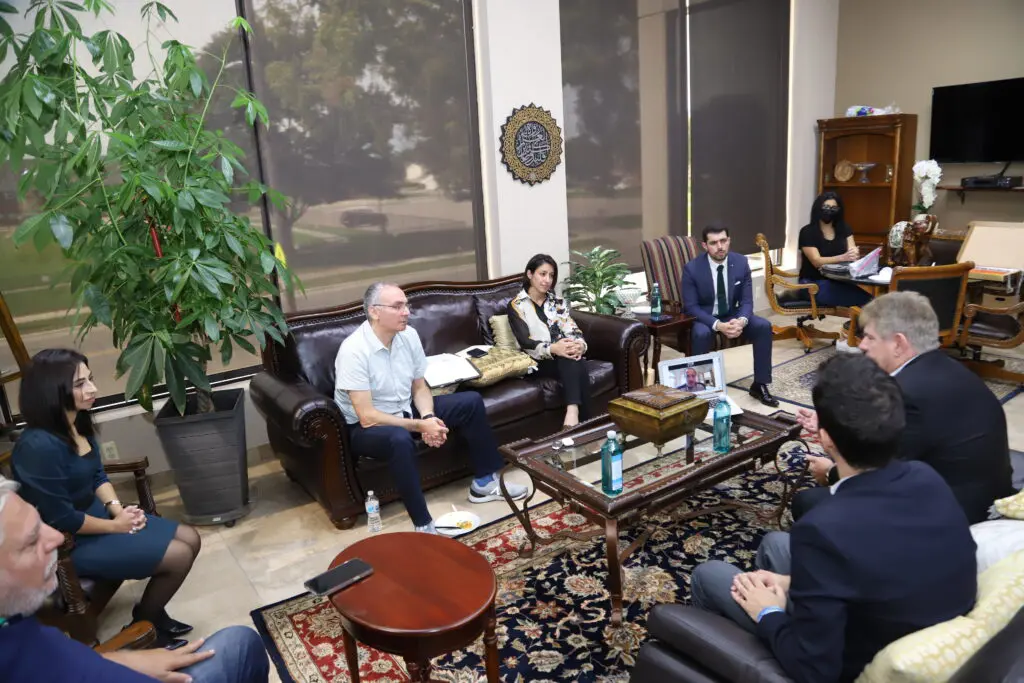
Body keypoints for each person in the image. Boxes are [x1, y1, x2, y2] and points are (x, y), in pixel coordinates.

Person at [689, 354, 977, 683]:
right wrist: (790, 584)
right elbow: (882, 567)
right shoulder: (927, 477)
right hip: (912, 625)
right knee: (774, 545)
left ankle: (717, 656)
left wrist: (767, 612)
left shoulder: (823, 529)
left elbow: (814, 670)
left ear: (826, 438)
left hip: (850, 662)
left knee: (709, 574)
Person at [11, 349, 200, 648]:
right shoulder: (37, 447)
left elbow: (97, 474)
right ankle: (144, 627)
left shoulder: (77, 421)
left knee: (191, 537)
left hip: (96, 517)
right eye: (80, 384)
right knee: (178, 555)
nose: (93, 389)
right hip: (66, 544)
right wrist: (117, 526)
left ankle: (149, 617)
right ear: (51, 391)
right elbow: (62, 518)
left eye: (90, 379)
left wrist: (116, 510)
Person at [0, 476, 269, 683]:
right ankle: (146, 616)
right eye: (30, 541)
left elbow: (58, 662)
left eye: (40, 524)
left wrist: (120, 660)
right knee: (241, 643)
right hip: (90, 537)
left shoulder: (14, 620)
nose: (56, 538)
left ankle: (150, 615)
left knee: (186, 541)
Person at [793, 292, 1013, 524]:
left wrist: (830, 472)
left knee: (807, 503)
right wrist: (834, 425)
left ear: (898, 343)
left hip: (954, 515)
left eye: (869, 337)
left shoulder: (906, 393)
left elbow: (880, 470)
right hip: (988, 494)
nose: (862, 345)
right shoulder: (947, 368)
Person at [335, 282, 528, 534]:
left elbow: (420, 386)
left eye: (406, 305)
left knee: (469, 402)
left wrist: (429, 417)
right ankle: (423, 524)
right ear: (374, 312)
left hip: (404, 409)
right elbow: (367, 415)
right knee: (399, 440)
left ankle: (484, 483)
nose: (406, 312)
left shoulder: (408, 336)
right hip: (366, 427)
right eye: (398, 306)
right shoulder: (354, 351)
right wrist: (419, 425)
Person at [681, 224, 778, 407]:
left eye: (723, 241)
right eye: (714, 243)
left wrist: (741, 321)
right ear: (705, 246)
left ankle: (760, 384)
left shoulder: (741, 262)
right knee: (700, 333)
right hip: (705, 315)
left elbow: (747, 301)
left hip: (732, 314)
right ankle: (703, 393)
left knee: (763, 326)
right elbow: (691, 307)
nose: (720, 246)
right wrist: (718, 325)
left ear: (729, 241)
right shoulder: (692, 269)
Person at [507, 254, 591, 429]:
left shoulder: (557, 302)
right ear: (530, 274)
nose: (547, 280)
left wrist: (579, 346)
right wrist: (554, 348)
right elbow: (526, 342)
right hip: (536, 361)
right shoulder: (516, 305)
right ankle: (588, 429)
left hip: (562, 357)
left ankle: (572, 413)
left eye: (551, 275)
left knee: (574, 358)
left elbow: (572, 329)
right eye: (542, 274)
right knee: (573, 361)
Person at [797, 192, 872, 307]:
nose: (829, 211)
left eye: (834, 208)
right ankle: (857, 324)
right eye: (826, 207)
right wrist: (843, 257)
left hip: (839, 281)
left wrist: (854, 255)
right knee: (868, 303)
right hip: (812, 285)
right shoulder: (807, 232)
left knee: (871, 301)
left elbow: (852, 253)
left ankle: (856, 324)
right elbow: (816, 261)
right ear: (818, 208)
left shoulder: (844, 229)